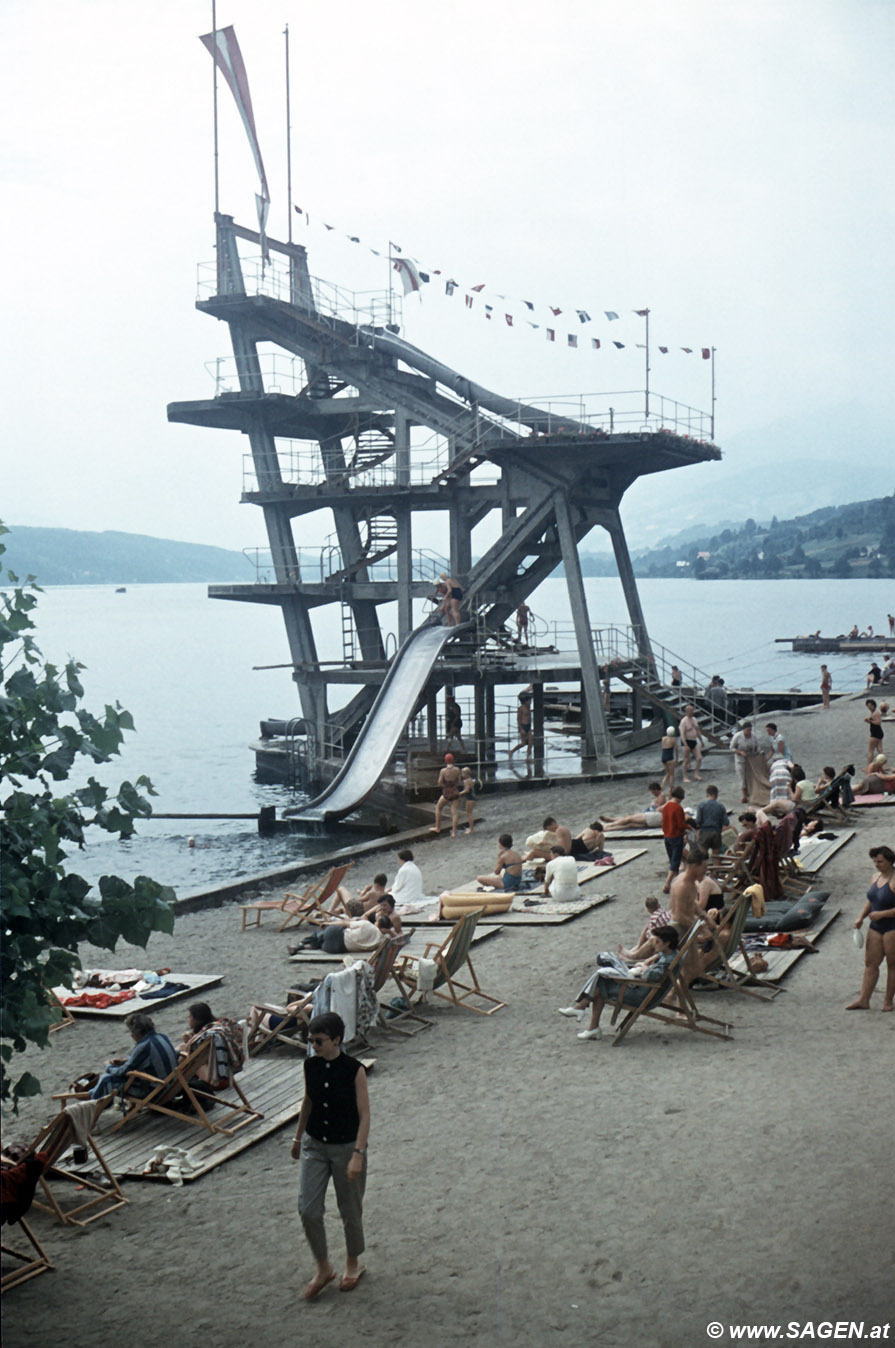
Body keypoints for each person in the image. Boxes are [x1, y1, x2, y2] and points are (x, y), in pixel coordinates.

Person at [292, 1011, 370, 1298]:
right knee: (308, 1209)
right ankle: (323, 1267)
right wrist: (298, 1137)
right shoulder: (310, 1065)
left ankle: (353, 1262)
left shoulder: (354, 1069)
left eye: (320, 1041)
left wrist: (358, 1154)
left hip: (346, 1146)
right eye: (311, 1040)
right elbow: (308, 1101)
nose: (314, 1046)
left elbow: (365, 1113)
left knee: (350, 1209)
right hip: (315, 1144)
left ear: (337, 1040)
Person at [558, 927, 680, 1040]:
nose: (654, 944)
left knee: (601, 983)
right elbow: (661, 957)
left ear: (667, 943)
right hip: (643, 988)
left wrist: (643, 967)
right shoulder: (671, 954)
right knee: (602, 980)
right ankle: (586, 1017)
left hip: (641, 995)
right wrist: (652, 958)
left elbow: (651, 976)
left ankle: (584, 1013)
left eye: (657, 942)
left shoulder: (667, 962)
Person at [846, 846, 895, 1012]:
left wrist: (883, 914)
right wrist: (861, 917)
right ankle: (864, 999)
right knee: (870, 963)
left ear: (890, 861)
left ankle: (888, 1001)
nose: (877, 865)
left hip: (892, 927)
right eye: (875, 861)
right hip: (875, 927)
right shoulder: (875, 878)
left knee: (892, 965)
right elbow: (871, 900)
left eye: (880, 861)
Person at [89, 1011, 178, 1100]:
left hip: (155, 1091)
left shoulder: (144, 1046)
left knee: (106, 1079)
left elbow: (123, 1072)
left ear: (136, 1032)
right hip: (172, 1085)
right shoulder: (162, 1037)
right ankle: (92, 1095)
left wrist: (108, 1066)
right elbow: (150, 1059)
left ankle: (92, 1105)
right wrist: (125, 1061)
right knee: (108, 1079)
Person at [292, 901, 385, 955]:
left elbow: (345, 923)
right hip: (333, 949)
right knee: (320, 942)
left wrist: (328, 923)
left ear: (376, 922)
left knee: (319, 934)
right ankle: (303, 946)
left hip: (335, 936)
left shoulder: (366, 925)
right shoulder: (380, 942)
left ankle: (301, 944)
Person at [618, 896, 673, 960]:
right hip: (669, 935)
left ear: (648, 910)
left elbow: (651, 933)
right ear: (659, 905)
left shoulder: (654, 918)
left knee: (649, 934)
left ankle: (633, 955)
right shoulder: (665, 912)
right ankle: (637, 948)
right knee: (648, 926)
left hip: (663, 942)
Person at [600, 783, 666, 832]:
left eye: (653, 791)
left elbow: (658, 808)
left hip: (651, 814)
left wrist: (653, 806)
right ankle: (612, 821)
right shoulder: (658, 796)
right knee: (630, 823)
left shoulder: (661, 796)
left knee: (629, 819)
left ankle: (610, 825)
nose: (652, 793)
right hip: (650, 815)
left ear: (656, 790)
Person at [661, 787, 688, 893]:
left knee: (672, 859)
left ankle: (678, 883)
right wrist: (688, 828)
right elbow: (681, 825)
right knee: (675, 861)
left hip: (666, 836)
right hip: (676, 836)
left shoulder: (666, 806)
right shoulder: (678, 808)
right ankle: (667, 883)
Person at [729, 721, 762, 804]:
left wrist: (757, 751)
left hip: (751, 758)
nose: (749, 732)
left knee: (751, 776)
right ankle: (744, 795)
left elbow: (757, 746)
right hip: (740, 759)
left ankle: (752, 792)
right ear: (744, 730)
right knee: (742, 776)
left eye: (750, 730)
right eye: (747, 730)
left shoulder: (753, 736)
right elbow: (731, 747)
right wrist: (740, 752)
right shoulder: (737, 736)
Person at [431, 753, 463, 837]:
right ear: (453, 760)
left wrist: (445, 785)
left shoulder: (443, 771)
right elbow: (459, 782)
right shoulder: (457, 769)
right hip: (455, 791)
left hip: (447, 791)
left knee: (438, 807)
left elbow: (440, 782)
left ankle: (438, 827)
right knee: (454, 812)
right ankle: (454, 832)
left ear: (445, 760)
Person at [693, 784, 729, 857]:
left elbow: (698, 821)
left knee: (703, 855)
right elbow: (726, 822)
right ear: (716, 795)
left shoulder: (701, 805)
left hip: (704, 832)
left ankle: (704, 868)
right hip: (716, 832)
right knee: (716, 855)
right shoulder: (720, 806)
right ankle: (717, 867)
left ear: (707, 794)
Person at [678, 706, 704, 782]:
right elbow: (682, 734)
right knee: (686, 760)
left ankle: (696, 774)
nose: (692, 712)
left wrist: (701, 740)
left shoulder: (694, 719)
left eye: (692, 711)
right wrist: (685, 745)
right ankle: (684, 777)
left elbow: (698, 730)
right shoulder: (683, 721)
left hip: (694, 741)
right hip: (686, 741)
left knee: (699, 757)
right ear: (686, 712)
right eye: (690, 711)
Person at [509, 690, 534, 762]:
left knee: (530, 742)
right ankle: (512, 751)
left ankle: (528, 757)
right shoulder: (521, 708)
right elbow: (519, 719)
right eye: (529, 700)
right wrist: (520, 728)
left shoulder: (529, 707)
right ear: (525, 701)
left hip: (528, 726)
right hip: (523, 726)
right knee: (523, 743)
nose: (530, 702)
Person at [458, 766, 479, 834]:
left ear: (466, 774)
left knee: (469, 813)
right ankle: (471, 828)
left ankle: (471, 829)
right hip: (472, 797)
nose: (462, 775)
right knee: (469, 813)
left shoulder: (467, 781)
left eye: (463, 774)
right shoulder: (470, 779)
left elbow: (466, 790)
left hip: (470, 798)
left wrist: (459, 793)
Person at [660, 725, 679, 793]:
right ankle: (671, 788)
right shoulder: (673, 740)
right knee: (671, 774)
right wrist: (676, 759)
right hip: (669, 758)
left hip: (663, 757)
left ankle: (662, 785)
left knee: (667, 773)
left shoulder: (663, 738)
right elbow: (676, 750)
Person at [865, 699, 883, 767]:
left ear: (873, 705)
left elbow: (878, 722)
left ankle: (869, 766)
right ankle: (885, 765)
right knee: (880, 750)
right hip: (878, 733)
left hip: (875, 734)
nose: (869, 707)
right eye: (868, 706)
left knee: (871, 750)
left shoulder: (875, 713)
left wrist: (870, 721)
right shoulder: (874, 712)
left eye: (870, 705)